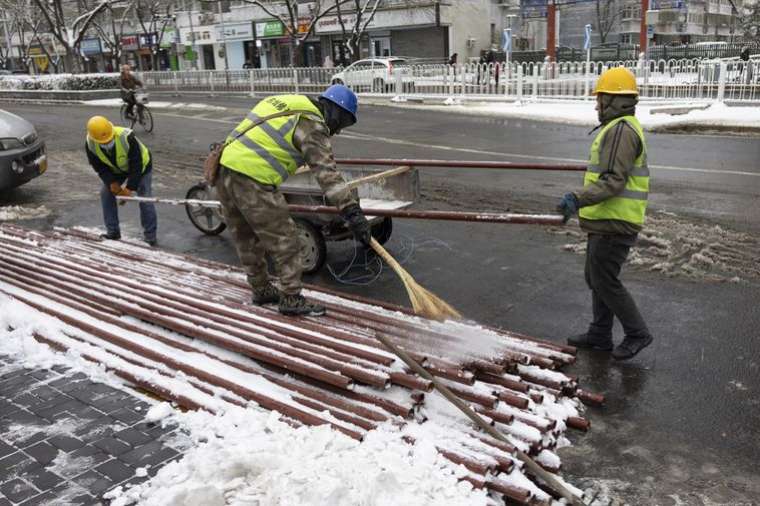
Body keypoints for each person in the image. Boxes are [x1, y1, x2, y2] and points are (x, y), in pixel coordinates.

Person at [217, 85, 370, 317]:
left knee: (246, 236)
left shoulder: (289, 101)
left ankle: (261, 289)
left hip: (224, 167)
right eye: (342, 123)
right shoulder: (312, 124)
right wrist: (352, 212)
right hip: (253, 176)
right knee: (286, 239)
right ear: (336, 111)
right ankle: (290, 297)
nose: (337, 131)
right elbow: (327, 175)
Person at [557, 67, 653, 361]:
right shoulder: (619, 127)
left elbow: (613, 179)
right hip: (607, 219)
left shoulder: (621, 131)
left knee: (604, 279)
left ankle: (638, 333)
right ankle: (600, 333)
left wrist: (577, 198)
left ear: (614, 100)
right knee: (595, 276)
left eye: (600, 99)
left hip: (616, 220)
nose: (597, 105)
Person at [85, 116, 158, 246]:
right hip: (117, 169)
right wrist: (111, 182)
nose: (107, 143)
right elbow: (99, 167)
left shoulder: (126, 137)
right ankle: (113, 232)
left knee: (145, 198)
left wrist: (129, 188)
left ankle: (150, 236)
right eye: (103, 142)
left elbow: (137, 165)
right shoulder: (90, 144)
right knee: (106, 193)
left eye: (109, 139)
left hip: (142, 166)